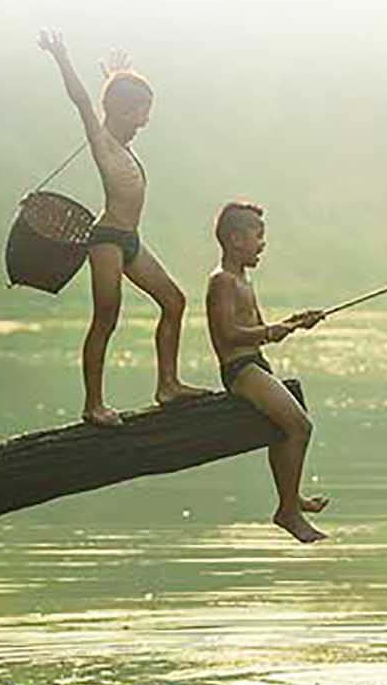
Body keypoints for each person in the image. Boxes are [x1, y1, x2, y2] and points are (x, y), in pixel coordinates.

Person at [38, 28, 210, 427]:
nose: (145, 121)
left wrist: (116, 78)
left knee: (174, 301)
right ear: (120, 113)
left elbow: (111, 104)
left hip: (131, 240)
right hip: (107, 241)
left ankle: (168, 385)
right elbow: (84, 103)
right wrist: (62, 57)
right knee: (106, 318)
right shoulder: (104, 143)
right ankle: (93, 405)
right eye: (140, 112)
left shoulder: (122, 139)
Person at [205, 201, 331, 542]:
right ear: (235, 239)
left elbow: (259, 328)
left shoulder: (244, 280)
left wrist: (295, 323)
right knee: (300, 425)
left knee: (282, 429)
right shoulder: (223, 281)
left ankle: (291, 498)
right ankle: (287, 511)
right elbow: (227, 334)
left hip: (256, 364)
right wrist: (271, 330)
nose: (262, 244)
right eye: (257, 236)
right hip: (239, 369)